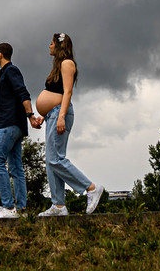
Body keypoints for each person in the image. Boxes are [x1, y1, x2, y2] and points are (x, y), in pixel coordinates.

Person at [35, 32, 105, 216]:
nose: (49, 46)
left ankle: (91, 188)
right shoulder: (57, 66)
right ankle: (58, 205)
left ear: (59, 45)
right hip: (53, 114)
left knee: (55, 159)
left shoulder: (67, 63)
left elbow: (67, 92)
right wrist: (44, 115)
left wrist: (61, 116)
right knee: (51, 162)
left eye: (51, 43)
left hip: (60, 113)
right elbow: (55, 93)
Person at [0, 42, 42, 218]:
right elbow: (7, 104)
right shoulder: (3, 73)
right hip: (10, 125)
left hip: (10, 126)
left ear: (0, 55)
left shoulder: (11, 70)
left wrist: (30, 115)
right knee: (16, 168)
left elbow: (23, 93)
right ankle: (22, 211)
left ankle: (8, 208)